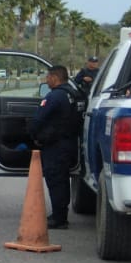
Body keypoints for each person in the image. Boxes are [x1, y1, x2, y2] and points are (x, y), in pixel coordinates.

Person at [29, 65, 82, 230]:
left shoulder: (55, 96)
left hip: (55, 145)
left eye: (48, 77)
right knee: (63, 180)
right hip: (69, 143)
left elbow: (39, 119)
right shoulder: (75, 94)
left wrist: (34, 136)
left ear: (54, 77)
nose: (46, 80)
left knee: (55, 180)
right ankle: (60, 214)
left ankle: (59, 219)